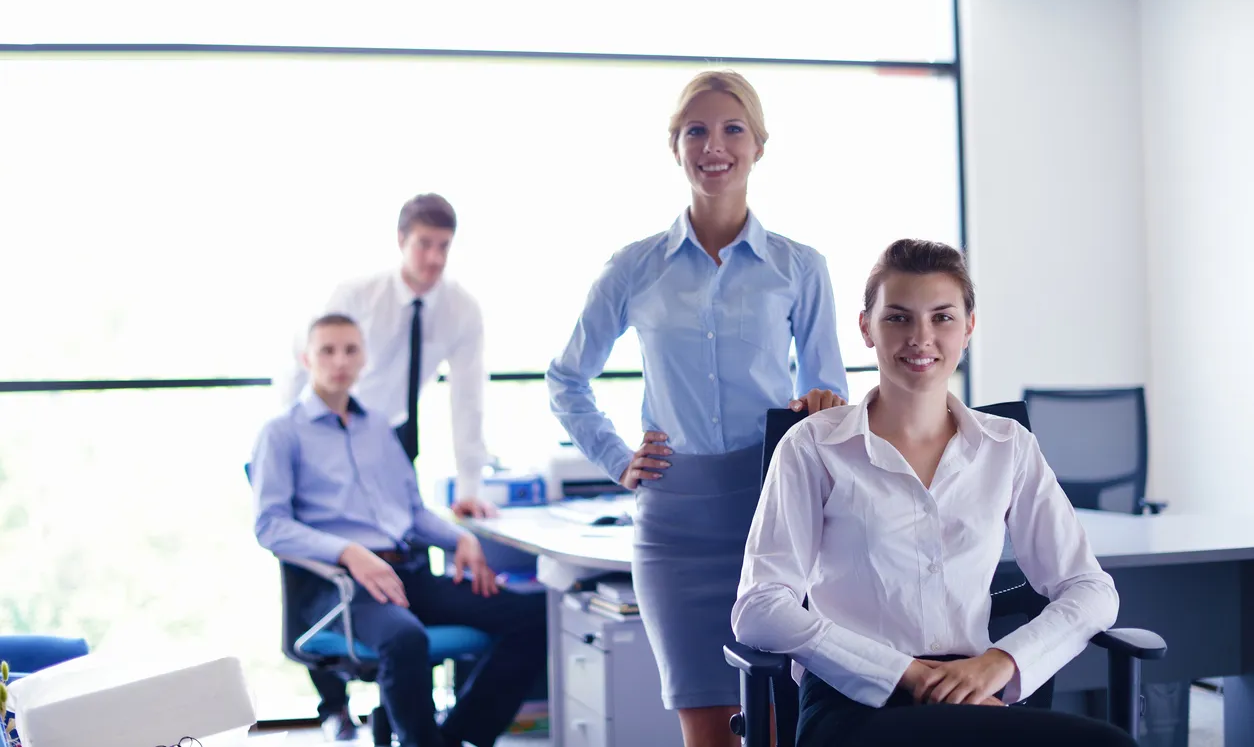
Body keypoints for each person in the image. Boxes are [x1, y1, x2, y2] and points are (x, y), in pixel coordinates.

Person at [731, 239, 1134, 747]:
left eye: (942, 317)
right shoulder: (814, 445)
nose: (920, 338)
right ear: (866, 328)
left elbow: (1090, 589)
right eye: (898, 318)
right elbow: (760, 607)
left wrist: (1000, 663)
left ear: (968, 328)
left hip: (972, 688)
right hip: (851, 702)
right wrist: (906, 674)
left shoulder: (1006, 446)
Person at [546, 70, 849, 747]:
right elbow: (566, 377)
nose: (714, 146)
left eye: (733, 129)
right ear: (675, 146)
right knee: (705, 726)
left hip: (772, 513)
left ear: (759, 145)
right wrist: (617, 457)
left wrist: (819, 405)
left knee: (778, 722)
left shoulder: (800, 266)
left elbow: (830, 392)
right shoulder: (635, 266)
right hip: (673, 527)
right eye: (696, 131)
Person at [254, 314, 546, 747]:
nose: (340, 361)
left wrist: (461, 538)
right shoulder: (281, 433)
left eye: (350, 350)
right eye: (327, 351)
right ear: (307, 359)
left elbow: (411, 513)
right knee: (405, 638)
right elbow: (270, 525)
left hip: (406, 573)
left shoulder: (377, 427)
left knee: (536, 614)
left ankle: (455, 737)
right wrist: (348, 551)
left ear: (364, 359)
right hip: (341, 585)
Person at [274, 193, 496, 735]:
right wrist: (297, 432)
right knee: (332, 545)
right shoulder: (357, 294)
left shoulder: (461, 309)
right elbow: (310, 352)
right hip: (323, 427)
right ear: (402, 241)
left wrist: (469, 487)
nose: (434, 258)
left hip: (387, 434)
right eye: (424, 244)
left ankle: (432, 722)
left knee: (400, 538)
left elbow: (467, 399)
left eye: (444, 246)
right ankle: (334, 704)